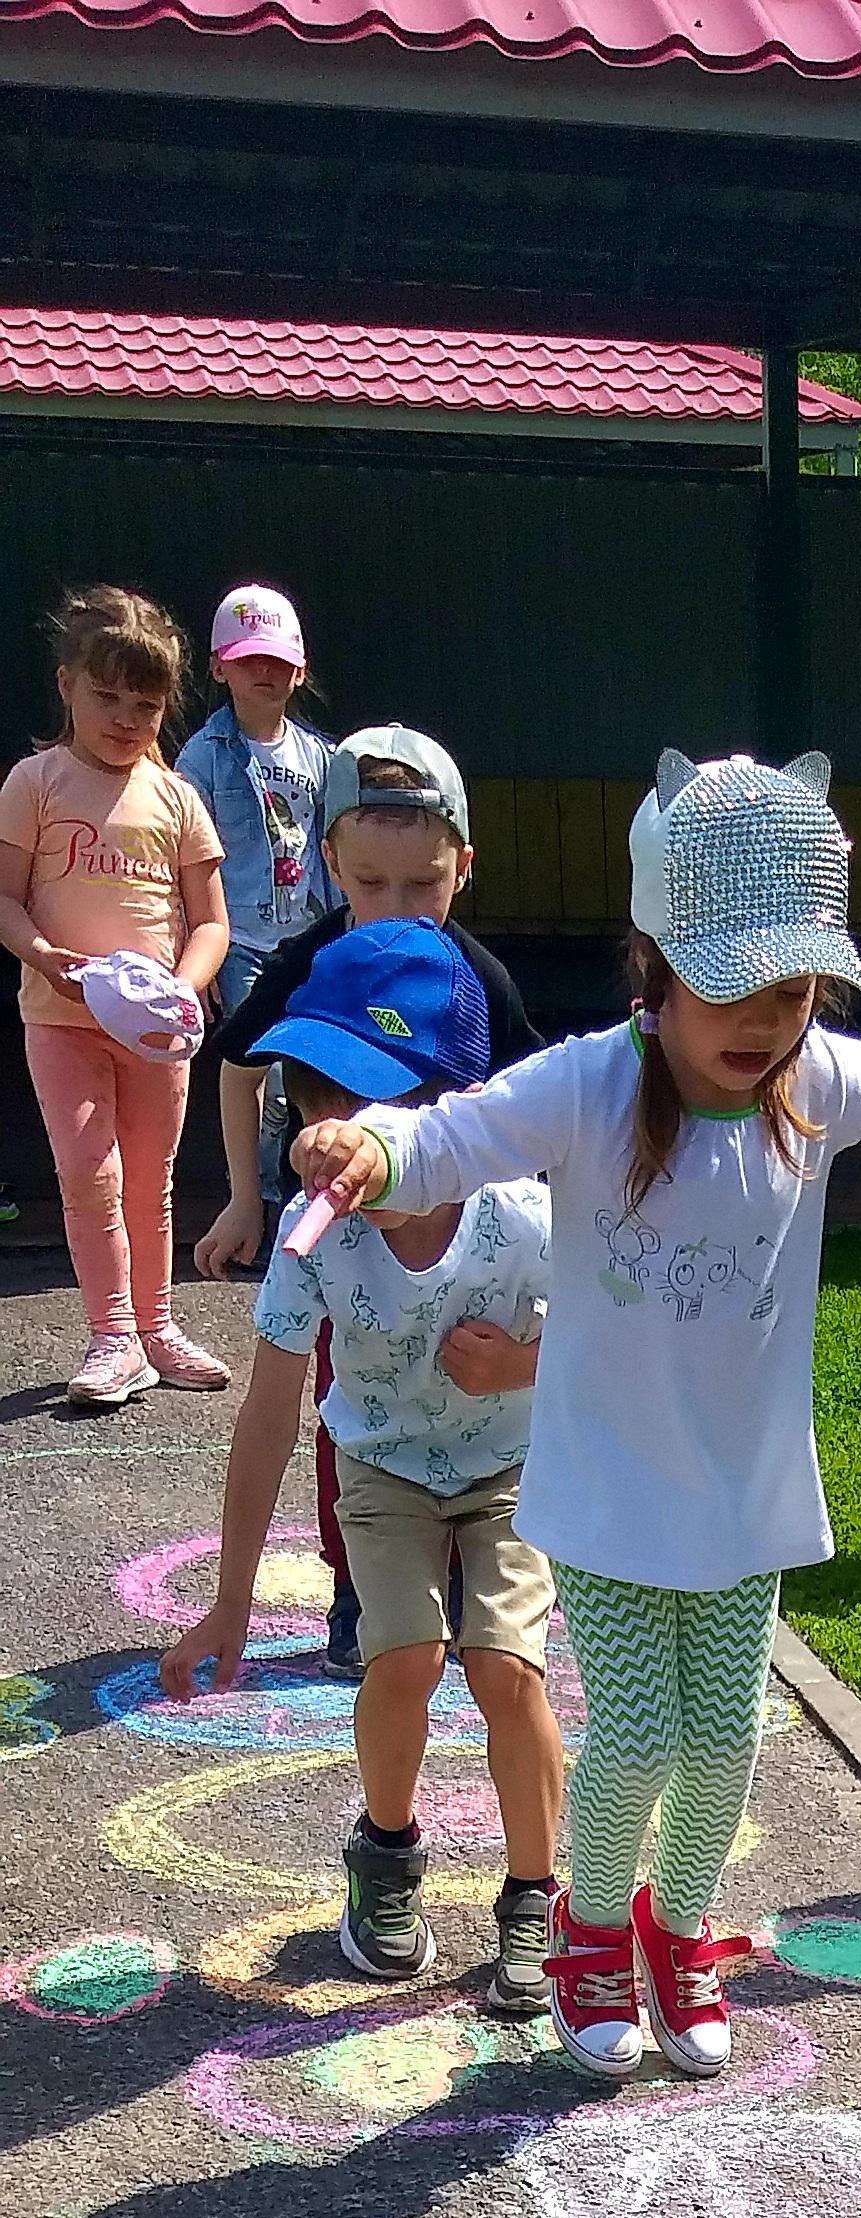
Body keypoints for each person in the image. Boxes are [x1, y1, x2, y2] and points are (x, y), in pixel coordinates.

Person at [286, 744, 861, 2086]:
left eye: (795, 992)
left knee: (726, 1741)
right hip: (611, 1487)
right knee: (635, 1737)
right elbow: (452, 1135)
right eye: (731, 988)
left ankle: (675, 1930)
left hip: (741, 1492)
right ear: (656, 965)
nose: (764, 1020)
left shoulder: (807, 1079)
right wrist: (373, 1146)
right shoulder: (591, 1082)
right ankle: (582, 1931)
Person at [159, 923, 559, 2013]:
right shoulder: (315, 1233)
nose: (332, 1132)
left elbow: (621, 1352)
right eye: (313, 1097)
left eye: (367, 1099)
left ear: (460, 1112)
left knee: (506, 1670)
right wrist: (231, 1603)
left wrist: (524, 1361)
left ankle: (536, 1896)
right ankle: (384, 1857)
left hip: (508, 1471)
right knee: (403, 1657)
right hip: (381, 1469)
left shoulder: (526, 1216)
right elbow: (270, 1415)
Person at [199, 726, 541, 1685]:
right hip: (337, 1223)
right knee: (344, 1391)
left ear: (462, 868)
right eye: (370, 883)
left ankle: (481, 1555)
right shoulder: (316, 966)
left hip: (459, 1233)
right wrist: (245, 1201)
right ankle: (362, 1576)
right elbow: (239, 1064)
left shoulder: (474, 983)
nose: (396, 908)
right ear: (330, 865)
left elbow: (538, 1110)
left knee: (469, 1376)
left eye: (422, 885)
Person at [0, 582, 230, 1410]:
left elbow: (210, 922)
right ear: (66, 685)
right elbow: (6, 898)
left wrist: (184, 987)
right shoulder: (37, 783)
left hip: (153, 1033)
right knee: (87, 1172)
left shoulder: (176, 798)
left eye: (147, 702)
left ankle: (157, 1326)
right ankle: (112, 1335)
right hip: (61, 1018)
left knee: (149, 1176)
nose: (127, 717)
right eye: (108, 696)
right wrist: (42, 954)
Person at [175, 583, 333, 1066]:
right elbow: (183, 866)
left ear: (300, 671)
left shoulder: (326, 757)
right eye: (248, 658)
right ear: (219, 666)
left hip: (311, 937)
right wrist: (191, 963)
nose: (264, 669)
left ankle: (297, 1146)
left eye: (278, 660)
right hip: (239, 944)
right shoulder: (202, 758)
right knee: (255, 1069)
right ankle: (256, 1146)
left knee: (312, 1067)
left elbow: (337, 853)